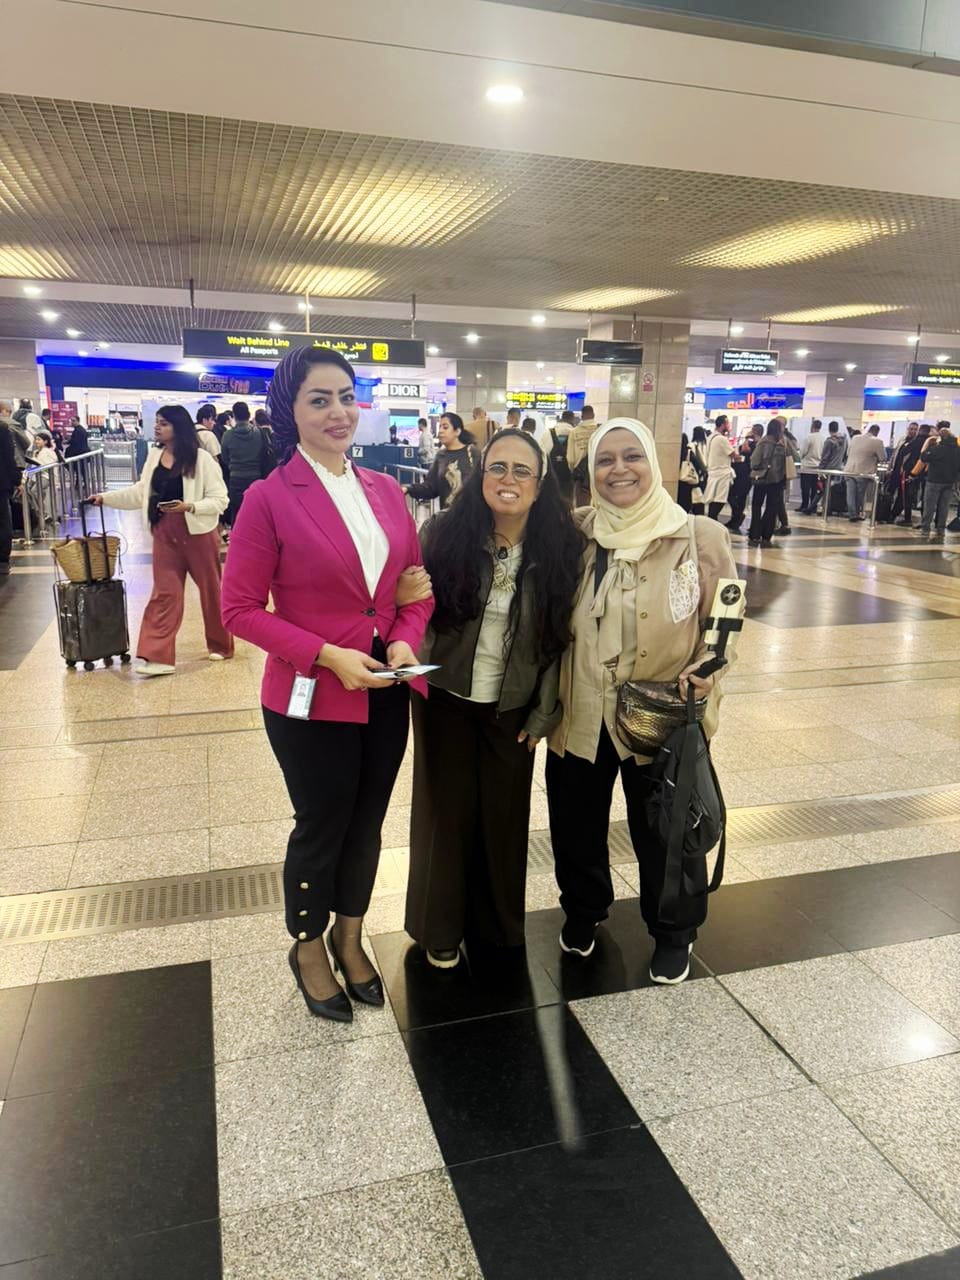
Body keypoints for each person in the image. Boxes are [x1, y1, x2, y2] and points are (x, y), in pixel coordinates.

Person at [220, 345, 433, 1024]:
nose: (338, 412)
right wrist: (327, 655)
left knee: (368, 819)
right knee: (322, 823)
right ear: (291, 410)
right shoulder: (268, 498)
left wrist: (402, 637)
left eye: (346, 396)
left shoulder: (386, 491)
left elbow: (416, 588)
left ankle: (351, 933)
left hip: (386, 687)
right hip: (311, 696)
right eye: (319, 399)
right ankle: (308, 945)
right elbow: (238, 610)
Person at [545, 418, 737, 983]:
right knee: (575, 826)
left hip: (663, 712)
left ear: (653, 463)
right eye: (605, 460)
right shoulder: (576, 532)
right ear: (590, 471)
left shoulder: (697, 535)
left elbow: (726, 615)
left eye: (632, 456)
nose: (619, 470)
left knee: (667, 831)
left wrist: (710, 668)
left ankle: (674, 931)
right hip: (581, 710)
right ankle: (583, 911)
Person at [406, 427, 581, 968]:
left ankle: (497, 927)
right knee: (445, 812)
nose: (508, 479)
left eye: (521, 470)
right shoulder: (442, 533)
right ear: (481, 476)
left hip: (514, 704)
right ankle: (440, 927)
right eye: (497, 468)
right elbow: (410, 607)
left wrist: (545, 710)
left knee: (503, 816)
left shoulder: (562, 547)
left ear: (540, 483)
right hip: (444, 694)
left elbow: (559, 638)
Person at [91, 405, 232, 676]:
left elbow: (220, 500)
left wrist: (189, 506)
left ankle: (221, 644)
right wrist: (105, 498)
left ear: (179, 427)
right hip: (164, 533)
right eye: (157, 422)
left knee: (211, 591)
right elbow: (141, 493)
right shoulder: (154, 456)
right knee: (165, 593)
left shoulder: (201, 459)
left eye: (164, 423)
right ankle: (158, 656)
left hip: (199, 534)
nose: (157, 427)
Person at [403, 413, 479, 509]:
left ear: (457, 431)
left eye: (445, 427)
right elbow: (431, 487)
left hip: (472, 514)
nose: (441, 431)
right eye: (440, 427)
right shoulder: (441, 456)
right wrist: (409, 489)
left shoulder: (472, 453)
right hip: (448, 515)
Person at [221, 401, 272, 526]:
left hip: (236, 478)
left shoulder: (227, 435)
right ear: (249, 415)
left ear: (234, 416)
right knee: (256, 513)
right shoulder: (259, 433)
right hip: (256, 477)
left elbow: (225, 458)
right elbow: (264, 455)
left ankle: (237, 536)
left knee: (237, 511)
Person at [748, 419, 792, 546]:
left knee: (757, 506)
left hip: (762, 478)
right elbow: (794, 457)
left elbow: (754, 461)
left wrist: (760, 467)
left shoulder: (763, 442)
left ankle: (755, 534)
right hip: (777, 480)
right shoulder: (784, 443)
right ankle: (766, 535)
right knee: (771, 508)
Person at [918, 424, 960, 540]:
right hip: (949, 482)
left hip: (934, 481)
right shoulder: (957, 450)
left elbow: (923, 457)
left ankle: (926, 529)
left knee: (930, 506)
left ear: (940, 438)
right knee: (944, 507)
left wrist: (928, 446)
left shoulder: (936, 448)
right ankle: (940, 529)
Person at [843, 423, 886, 522]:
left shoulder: (855, 438)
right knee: (859, 495)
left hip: (849, 469)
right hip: (863, 471)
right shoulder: (877, 441)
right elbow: (883, 458)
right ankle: (856, 513)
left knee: (850, 494)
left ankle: (852, 514)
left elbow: (848, 453)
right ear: (877, 432)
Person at [726, 424, 763, 532]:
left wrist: (747, 438)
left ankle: (737, 516)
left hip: (746, 473)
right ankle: (736, 518)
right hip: (744, 472)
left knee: (735, 495)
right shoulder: (757, 443)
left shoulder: (756, 444)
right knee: (739, 496)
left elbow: (745, 450)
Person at [702, 414, 735, 520]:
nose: (729, 426)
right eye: (727, 423)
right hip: (722, 473)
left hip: (713, 472)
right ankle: (713, 519)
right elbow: (733, 454)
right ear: (723, 425)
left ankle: (711, 520)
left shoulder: (710, 437)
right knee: (720, 499)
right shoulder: (722, 439)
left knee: (713, 499)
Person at [567, 406, 600, 505]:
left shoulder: (574, 432)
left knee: (582, 503)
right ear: (593, 415)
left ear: (582, 416)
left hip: (580, 474)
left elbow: (570, 458)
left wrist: (572, 471)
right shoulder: (600, 429)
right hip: (598, 471)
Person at [0, 410, 18, 575]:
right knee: (3, 521)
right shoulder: (2, 428)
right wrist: (16, 480)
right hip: (1, 483)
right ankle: (2, 560)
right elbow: (9, 458)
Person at [548, 410, 575, 502]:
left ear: (562, 418)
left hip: (552, 478)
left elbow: (542, 456)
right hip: (569, 479)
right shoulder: (575, 434)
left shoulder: (548, 433)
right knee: (568, 502)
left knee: (553, 502)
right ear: (572, 419)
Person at [798, 420, 823, 514]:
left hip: (807, 466)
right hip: (817, 466)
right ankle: (813, 506)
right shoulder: (823, 438)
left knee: (805, 488)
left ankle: (804, 505)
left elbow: (803, 452)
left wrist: (800, 458)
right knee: (814, 488)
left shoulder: (809, 437)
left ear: (812, 426)